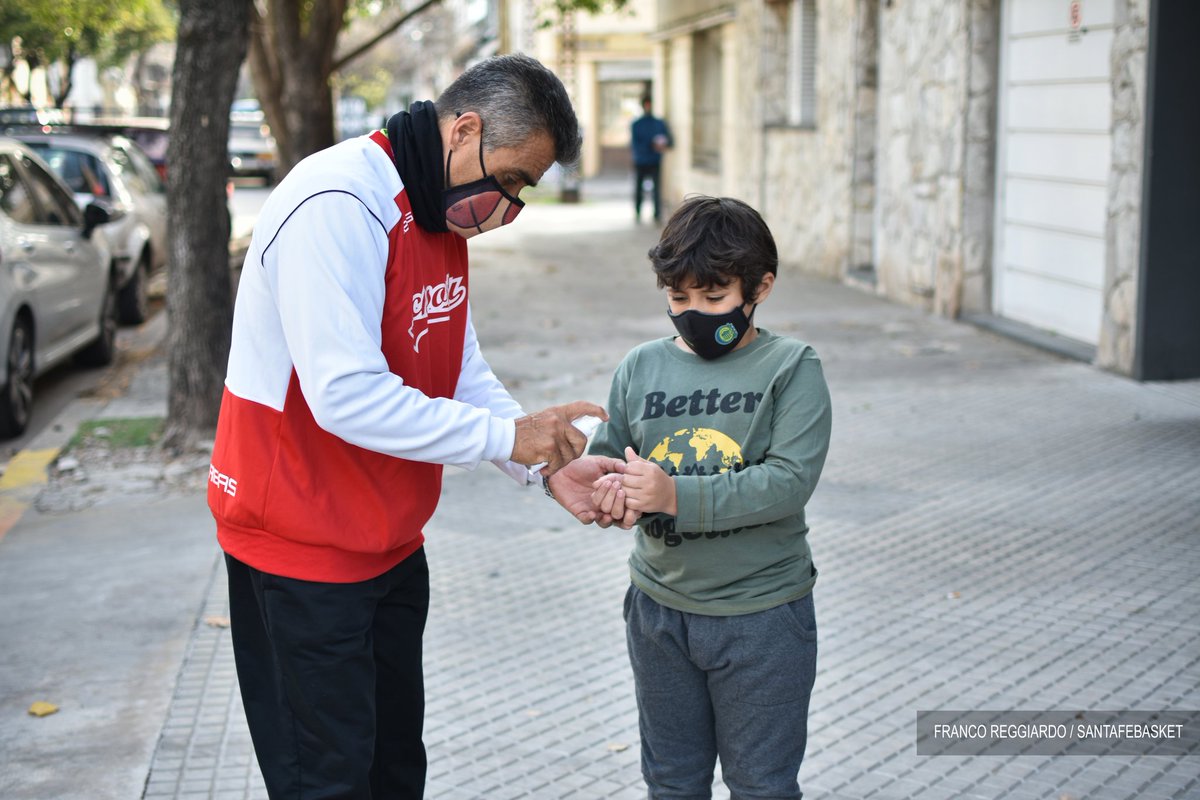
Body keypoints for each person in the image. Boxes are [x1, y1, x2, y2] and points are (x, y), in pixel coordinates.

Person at [207, 54, 634, 799]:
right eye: (511, 182)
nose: (509, 208)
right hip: (302, 552)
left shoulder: (437, 212)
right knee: (327, 781)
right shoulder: (336, 202)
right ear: (464, 130)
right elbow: (346, 396)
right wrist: (510, 439)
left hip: (391, 545)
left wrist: (545, 464)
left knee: (394, 769)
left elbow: (457, 367)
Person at [588, 196, 833, 800]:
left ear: (760, 287)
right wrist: (606, 492)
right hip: (658, 612)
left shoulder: (790, 367)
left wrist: (672, 493)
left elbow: (788, 481)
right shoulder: (640, 367)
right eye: (677, 299)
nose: (692, 312)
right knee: (671, 782)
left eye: (713, 297)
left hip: (762, 617)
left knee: (762, 786)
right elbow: (610, 457)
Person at [630, 95, 671, 223]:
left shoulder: (659, 123)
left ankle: (657, 214)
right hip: (641, 161)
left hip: (655, 160)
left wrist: (663, 144)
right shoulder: (636, 124)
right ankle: (638, 212)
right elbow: (635, 144)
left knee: (656, 189)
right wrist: (651, 145)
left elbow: (669, 140)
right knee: (639, 189)